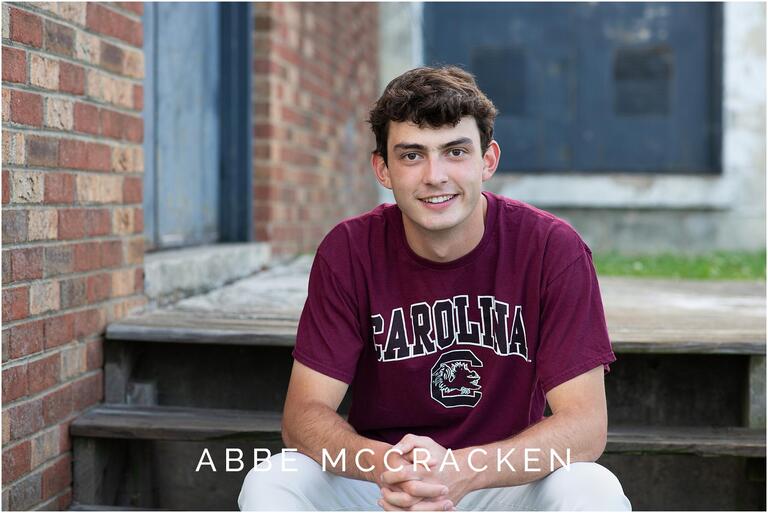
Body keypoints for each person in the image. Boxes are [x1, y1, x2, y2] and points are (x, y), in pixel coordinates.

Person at [238, 66, 631, 511]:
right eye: (412, 155)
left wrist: (463, 469)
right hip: (385, 484)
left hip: (499, 480)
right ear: (382, 169)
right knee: (274, 480)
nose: (435, 175)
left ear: (488, 160)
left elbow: (585, 426)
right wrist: (387, 465)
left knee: (591, 486)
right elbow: (303, 416)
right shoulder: (349, 250)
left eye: (455, 152)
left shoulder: (550, 248)